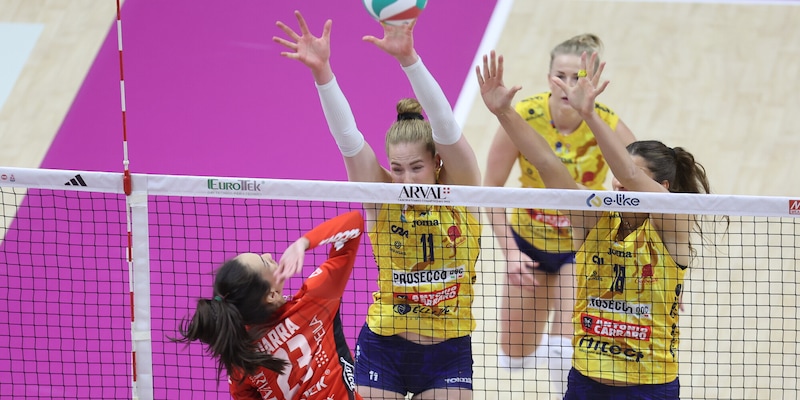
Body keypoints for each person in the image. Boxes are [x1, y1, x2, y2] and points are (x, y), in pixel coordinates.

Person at [274, 11, 482, 400]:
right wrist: (323, 73)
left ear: (437, 163)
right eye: (397, 169)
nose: (406, 180)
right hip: (385, 346)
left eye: (417, 167)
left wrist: (409, 59)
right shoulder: (382, 197)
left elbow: (446, 126)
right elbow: (348, 138)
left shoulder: (463, 193)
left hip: (448, 352)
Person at [477, 50, 710, 399]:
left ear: (662, 188)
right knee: (514, 356)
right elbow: (546, 162)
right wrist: (504, 112)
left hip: (651, 385)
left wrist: (588, 114)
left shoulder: (673, 222)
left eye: (631, 177)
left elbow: (628, 173)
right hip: (587, 382)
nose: (618, 182)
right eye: (616, 175)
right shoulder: (594, 217)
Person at [482, 34, 636, 396]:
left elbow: (641, 187)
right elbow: (491, 188)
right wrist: (511, 253)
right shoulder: (524, 116)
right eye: (560, 76)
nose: (568, 85)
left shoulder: (606, 123)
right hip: (528, 242)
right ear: (548, 76)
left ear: (591, 81)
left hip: (580, 247)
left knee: (562, 350)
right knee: (513, 357)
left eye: (576, 77)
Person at [173, 210, 365, 400]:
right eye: (265, 262)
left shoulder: (241, 356)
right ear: (271, 295)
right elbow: (354, 222)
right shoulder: (314, 301)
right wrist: (303, 243)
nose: (268, 254)